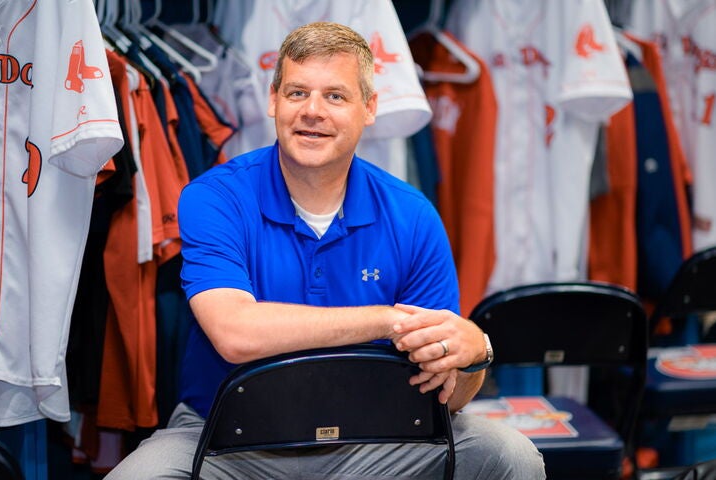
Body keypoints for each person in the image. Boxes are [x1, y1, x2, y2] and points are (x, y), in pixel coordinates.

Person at [105, 22, 545, 479]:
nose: (313, 111)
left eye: (335, 96)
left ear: (369, 108)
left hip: (377, 440)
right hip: (228, 439)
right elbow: (235, 333)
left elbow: (446, 392)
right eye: (297, 93)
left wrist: (474, 355)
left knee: (509, 455)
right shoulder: (215, 197)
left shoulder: (412, 216)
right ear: (273, 100)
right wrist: (385, 319)